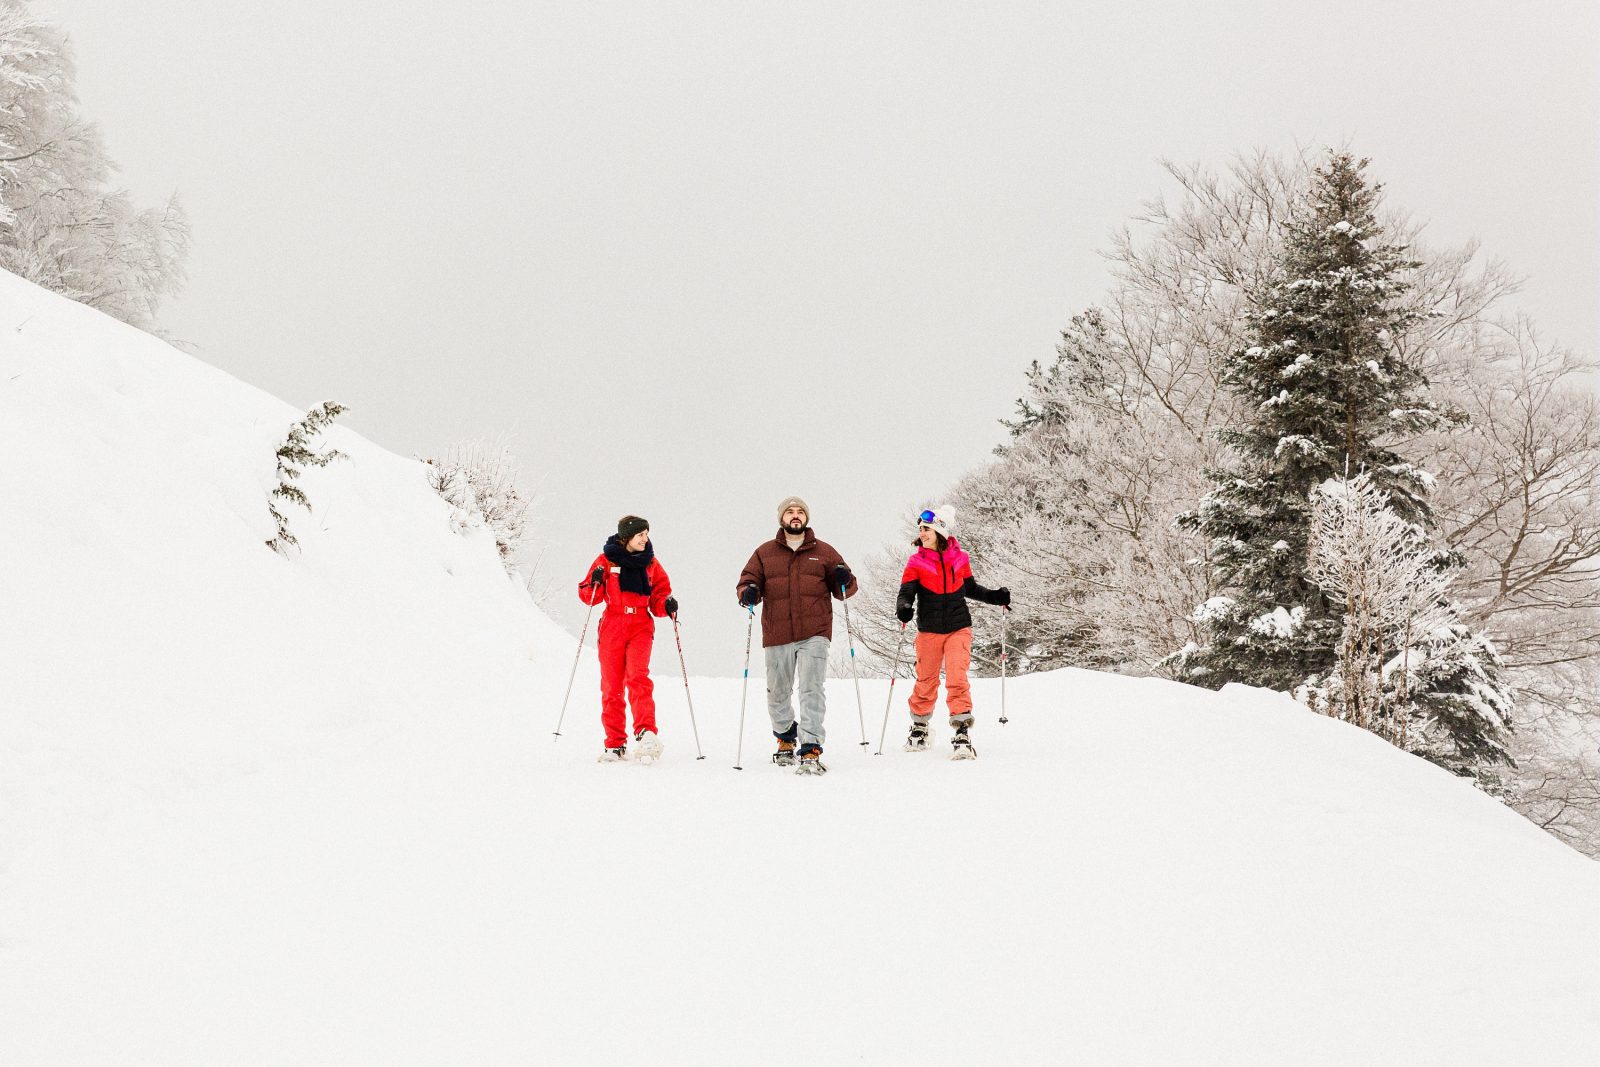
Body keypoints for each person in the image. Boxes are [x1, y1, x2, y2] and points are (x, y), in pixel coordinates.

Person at [736, 496, 858, 775]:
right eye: (790, 511)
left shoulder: (824, 551)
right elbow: (745, 582)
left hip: (814, 632)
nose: (795, 515)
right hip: (777, 633)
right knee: (777, 692)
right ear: (781, 518)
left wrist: (844, 579)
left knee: (811, 688)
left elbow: (847, 590)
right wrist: (749, 592)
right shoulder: (764, 552)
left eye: (800, 511)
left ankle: (811, 746)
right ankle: (785, 737)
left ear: (806, 518)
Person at [894, 504, 1009, 758]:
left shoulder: (961, 558)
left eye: (927, 529)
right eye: (921, 529)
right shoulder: (916, 561)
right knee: (927, 680)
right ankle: (920, 726)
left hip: (959, 627)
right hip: (929, 630)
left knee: (957, 678)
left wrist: (995, 597)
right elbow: (906, 592)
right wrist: (903, 607)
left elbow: (970, 589)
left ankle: (961, 731)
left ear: (940, 532)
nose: (922, 534)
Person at [578, 515, 677, 763]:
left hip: (640, 625)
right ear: (627, 537)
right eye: (640, 534)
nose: (645, 539)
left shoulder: (651, 563)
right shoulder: (606, 560)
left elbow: (659, 597)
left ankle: (646, 734)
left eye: (646, 534)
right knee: (611, 685)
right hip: (613, 623)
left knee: (637, 677)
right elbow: (590, 595)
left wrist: (667, 604)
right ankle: (615, 744)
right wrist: (595, 580)